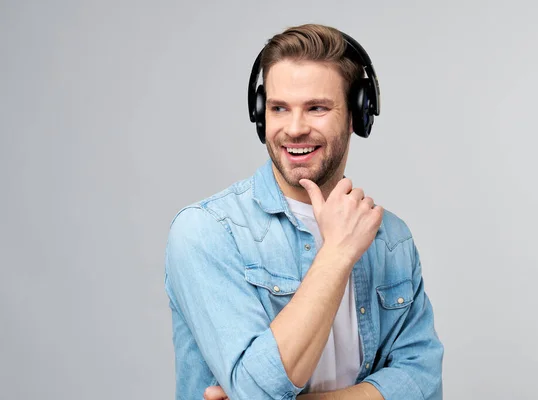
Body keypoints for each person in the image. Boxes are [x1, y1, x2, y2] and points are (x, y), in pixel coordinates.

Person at [164, 23, 444, 400]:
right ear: (261, 114)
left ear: (356, 116)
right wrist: (337, 253)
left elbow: (423, 383)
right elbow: (257, 390)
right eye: (279, 108)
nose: (294, 128)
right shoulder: (206, 232)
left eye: (316, 108)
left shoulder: (390, 239)